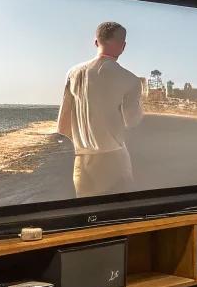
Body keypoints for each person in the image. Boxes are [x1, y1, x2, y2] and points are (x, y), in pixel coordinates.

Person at [56, 21, 144, 198]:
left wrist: (82, 145)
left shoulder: (74, 73)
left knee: (89, 216)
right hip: (114, 158)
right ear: (123, 46)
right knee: (121, 215)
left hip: (82, 160)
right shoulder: (131, 79)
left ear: (96, 42)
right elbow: (132, 121)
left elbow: (62, 124)